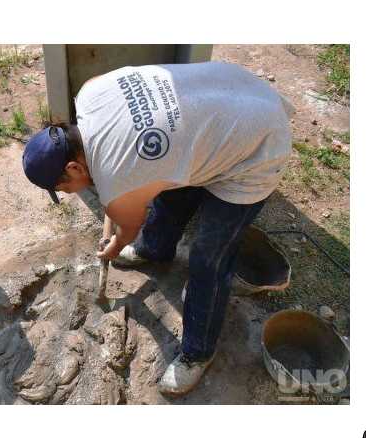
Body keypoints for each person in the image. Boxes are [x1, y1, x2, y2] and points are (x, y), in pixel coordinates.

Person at [21, 61, 293, 395]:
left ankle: (198, 352)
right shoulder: (89, 93)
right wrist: (113, 200)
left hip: (257, 148)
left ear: (74, 166)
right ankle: (156, 249)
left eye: (64, 187)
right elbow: (134, 179)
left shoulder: (117, 182)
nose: (69, 192)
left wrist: (115, 245)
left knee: (209, 258)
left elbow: (127, 225)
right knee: (166, 178)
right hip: (237, 90)